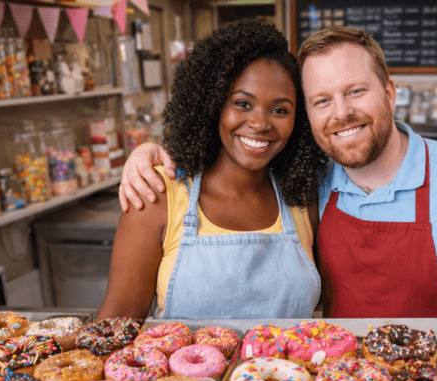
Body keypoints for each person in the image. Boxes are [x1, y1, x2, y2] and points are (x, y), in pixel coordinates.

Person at [118, 26, 437, 319]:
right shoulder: (312, 181)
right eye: (321, 100)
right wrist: (150, 152)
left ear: (390, 92)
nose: (341, 113)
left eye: (356, 92)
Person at [96, 19, 328, 321]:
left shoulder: (302, 198)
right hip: (185, 371)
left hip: (288, 369)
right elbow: (117, 323)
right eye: (242, 103)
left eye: (279, 110)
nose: (260, 123)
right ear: (212, 103)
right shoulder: (157, 197)